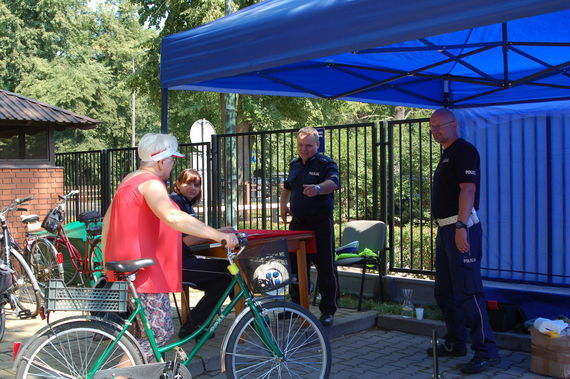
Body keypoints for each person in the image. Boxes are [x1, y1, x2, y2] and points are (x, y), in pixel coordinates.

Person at [101, 133, 238, 361]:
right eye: (173, 159)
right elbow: (173, 216)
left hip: (128, 268)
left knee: (147, 336)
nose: (174, 164)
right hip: (146, 273)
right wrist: (218, 235)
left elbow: (108, 222)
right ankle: (117, 376)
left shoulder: (128, 181)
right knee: (159, 334)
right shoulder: (150, 183)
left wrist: (108, 261)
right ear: (161, 160)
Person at [429, 109, 500, 374]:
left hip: (462, 227)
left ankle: (487, 351)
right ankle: (456, 342)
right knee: (445, 292)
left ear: (454, 125)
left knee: (469, 292)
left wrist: (460, 226)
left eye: (440, 126)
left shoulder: (464, 151)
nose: (436, 131)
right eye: (432, 127)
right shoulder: (446, 154)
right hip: (445, 229)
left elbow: (468, 189)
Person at [279, 126, 339, 327]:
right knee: (295, 267)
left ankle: (328, 310)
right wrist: (282, 208)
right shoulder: (295, 164)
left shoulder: (325, 163)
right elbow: (287, 188)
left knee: (325, 267)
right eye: (301, 145)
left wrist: (318, 188)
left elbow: (334, 182)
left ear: (317, 145)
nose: (304, 149)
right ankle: (297, 307)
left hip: (320, 224)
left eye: (308, 145)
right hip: (298, 225)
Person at [170, 168, 234, 339]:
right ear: (178, 183)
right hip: (176, 263)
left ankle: (192, 326)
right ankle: (252, 315)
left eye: (196, 185)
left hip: (182, 260)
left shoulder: (184, 203)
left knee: (221, 282)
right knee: (230, 270)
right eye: (188, 183)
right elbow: (188, 240)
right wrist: (219, 232)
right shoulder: (176, 202)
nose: (192, 188)